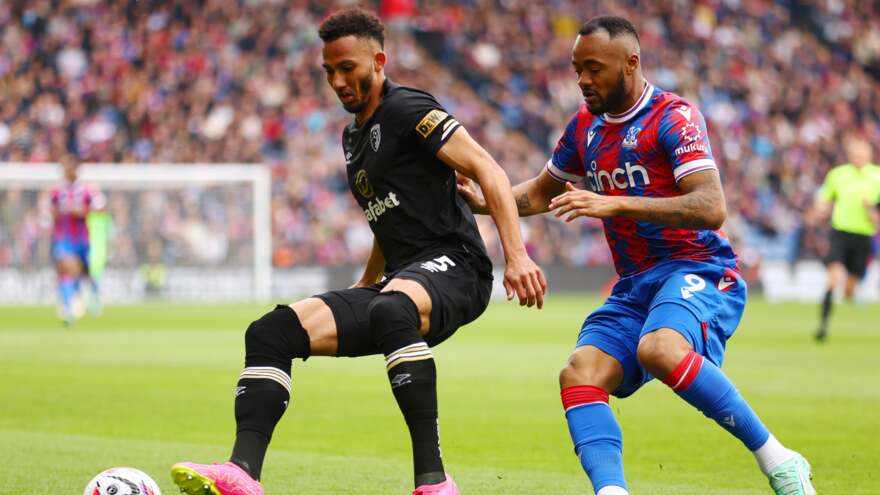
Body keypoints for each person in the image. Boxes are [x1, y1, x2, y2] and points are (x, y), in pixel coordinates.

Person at [171, 8, 546, 495]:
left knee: (391, 307)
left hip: (459, 267)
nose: (337, 81)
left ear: (379, 61)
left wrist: (517, 256)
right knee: (270, 331)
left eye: (347, 68)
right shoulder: (352, 137)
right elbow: (385, 217)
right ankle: (242, 473)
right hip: (402, 279)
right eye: (329, 71)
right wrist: (368, 280)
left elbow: (488, 169)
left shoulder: (409, 108)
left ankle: (435, 483)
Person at [458, 15, 815, 495]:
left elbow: (711, 207)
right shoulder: (584, 127)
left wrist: (616, 203)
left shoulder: (674, 117)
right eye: (577, 69)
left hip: (698, 268)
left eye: (594, 68)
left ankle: (779, 460)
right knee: (579, 373)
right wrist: (486, 201)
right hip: (635, 285)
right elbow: (542, 193)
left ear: (630, 63)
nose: (583, 80)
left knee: (659, 349)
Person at [811, 136, 880, 341]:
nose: (859, 157)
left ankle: (850, 290)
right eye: (855, 154)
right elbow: (823, 197)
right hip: (840, 233)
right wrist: (820, 208)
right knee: (833, 279)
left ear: (870, 155)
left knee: (849, 289)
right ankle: (822, 327)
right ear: (850, 155)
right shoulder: (838, 175)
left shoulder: (877, 177)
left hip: (864, 236)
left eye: (862, 154)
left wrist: (872, 213)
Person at [49, 155, 104, 326]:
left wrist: (81, 211)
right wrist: (57, 213)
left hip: (82, 238)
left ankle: (93, 295)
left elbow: (101, 208)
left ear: (76, 170)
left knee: (84, 272)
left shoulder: (87, 190)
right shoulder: (57, 191)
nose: (68, 171)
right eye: (66, 168)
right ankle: (67, 308)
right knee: (66, 270)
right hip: (63, 238)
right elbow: (51, 212)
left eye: (71, 168)